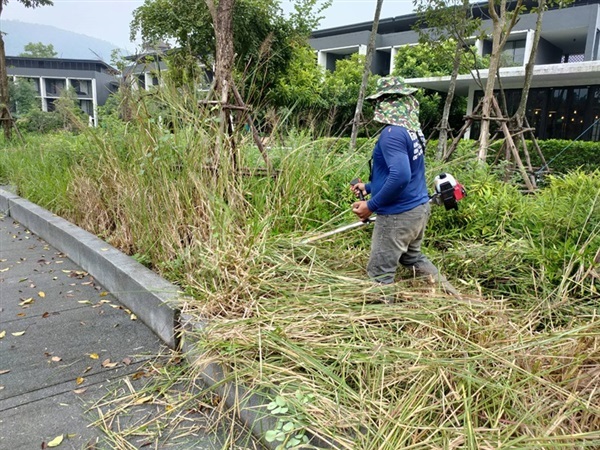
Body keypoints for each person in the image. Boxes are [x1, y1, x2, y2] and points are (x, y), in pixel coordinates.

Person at [350, 76, 460, 299]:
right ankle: (452, 297)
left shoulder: (392, 134)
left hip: (397, 215)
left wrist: (371, 205)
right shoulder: (412, 130)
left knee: (380, 273)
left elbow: (400, 176)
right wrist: (369, 186)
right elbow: (406, 173)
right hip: (418, 209)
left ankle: (381, 322)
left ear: (386, 104)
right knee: (412, 258)